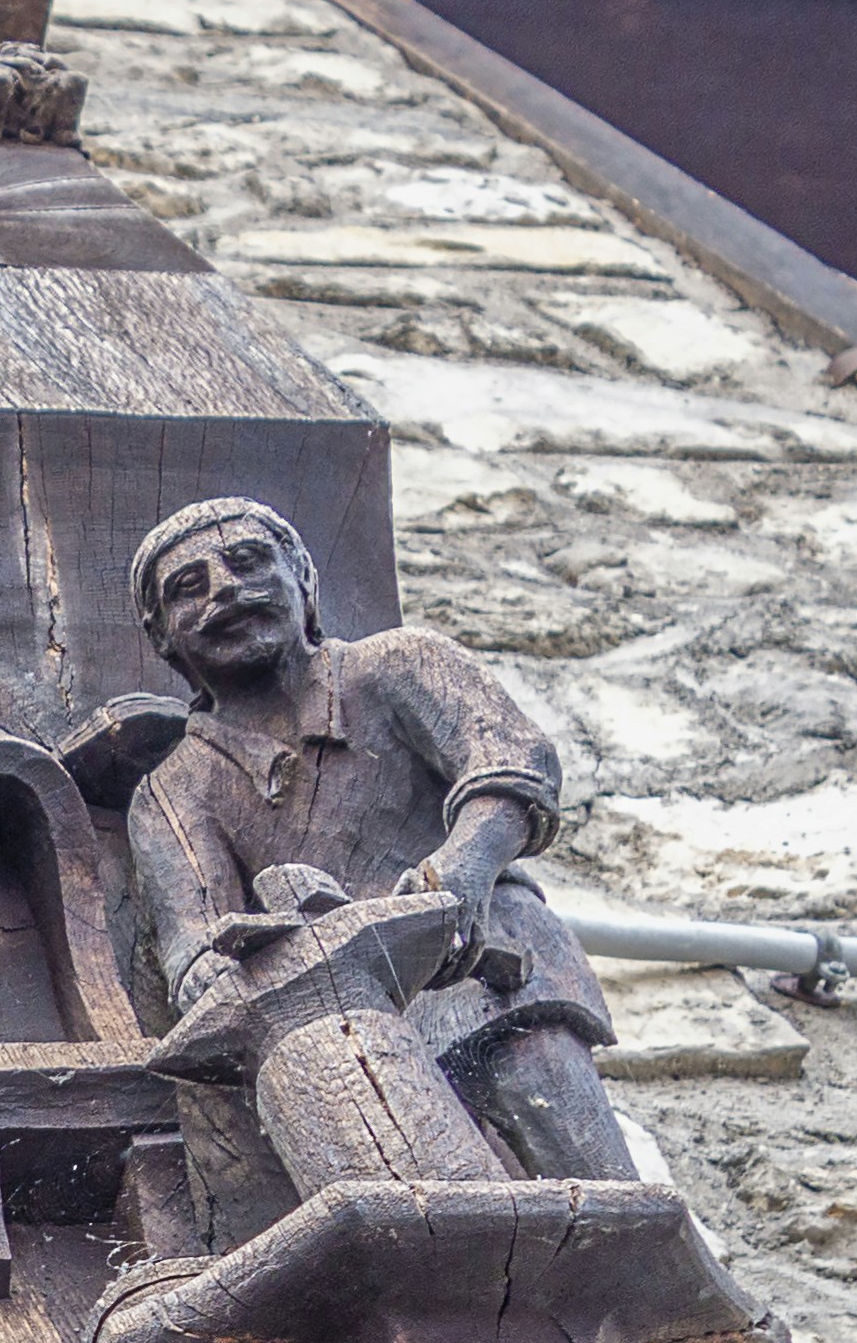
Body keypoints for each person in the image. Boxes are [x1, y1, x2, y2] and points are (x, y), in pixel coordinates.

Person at [113, 495, 635, 1184]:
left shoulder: (396, 665)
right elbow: (195, 946)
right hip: (344, 1031)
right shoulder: (172, 793)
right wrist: (226, 962)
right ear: (162, 638)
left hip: (483, 959)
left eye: (248, 562)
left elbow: (513, 765)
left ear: (303, 580)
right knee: (408, 1201)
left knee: (575, 1149)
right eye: (189, 587)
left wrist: (463, 869)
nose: (225, 591)